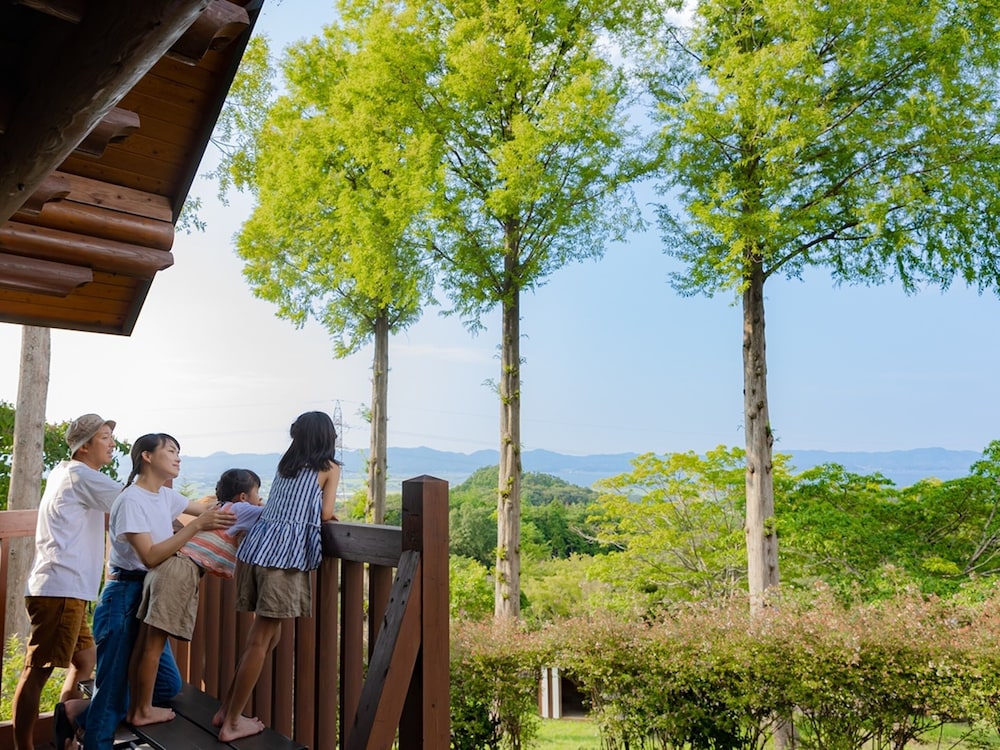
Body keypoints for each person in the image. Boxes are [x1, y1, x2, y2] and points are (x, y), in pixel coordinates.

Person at [63, 432, 236, 750]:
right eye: (170, 450)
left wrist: (252, 507)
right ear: (147, 455)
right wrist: (195, 527)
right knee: (112, 692)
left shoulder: (165, 496)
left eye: (178, 452)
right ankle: (96, 731)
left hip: (148, 594)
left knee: (167, 684)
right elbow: (151, 556)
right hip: (124, 596)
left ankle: (79, 713)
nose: (178, 457)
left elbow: (215, 511)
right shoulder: (131, 500)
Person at [214, 411, 341, 742]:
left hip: (258, 549)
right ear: (327, 437)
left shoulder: (287, 465)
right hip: (283, 557)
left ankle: (226, 711)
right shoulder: (329, 468)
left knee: (268, 638)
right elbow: (326, 512)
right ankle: (232, 723)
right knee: (261, 640)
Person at [11, 414, 120, 750]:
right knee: (37, 671)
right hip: (60, 590)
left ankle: (65, 739)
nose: (112, 443)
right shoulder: (80, 475)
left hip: (62, 589)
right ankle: (24, 746)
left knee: (85, 660)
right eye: (105, 437)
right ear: (84, 446)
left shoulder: (65, 471)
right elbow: (135, 501)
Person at [127, 468, 264, 727]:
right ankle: (142, 711)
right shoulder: (241, 509)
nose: (259, 499)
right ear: (244, 496)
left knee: (145, 644)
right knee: (153, 647)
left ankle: (137, 707)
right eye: (258, 494)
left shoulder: (220, 508)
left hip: (166, 567)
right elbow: (276, 515)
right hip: (180, 571)